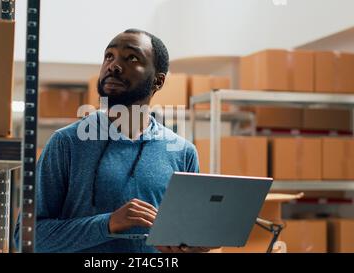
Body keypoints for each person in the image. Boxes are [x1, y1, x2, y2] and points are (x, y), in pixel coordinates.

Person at [15, 29, 210, 253]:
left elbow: (184, 237)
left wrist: (194, 246)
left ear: (158, 81)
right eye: (109, 56)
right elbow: (25, 237)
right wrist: (108, 224)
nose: (114, 66)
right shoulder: (66, 143)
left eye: (131, 58)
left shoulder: (182, 152)